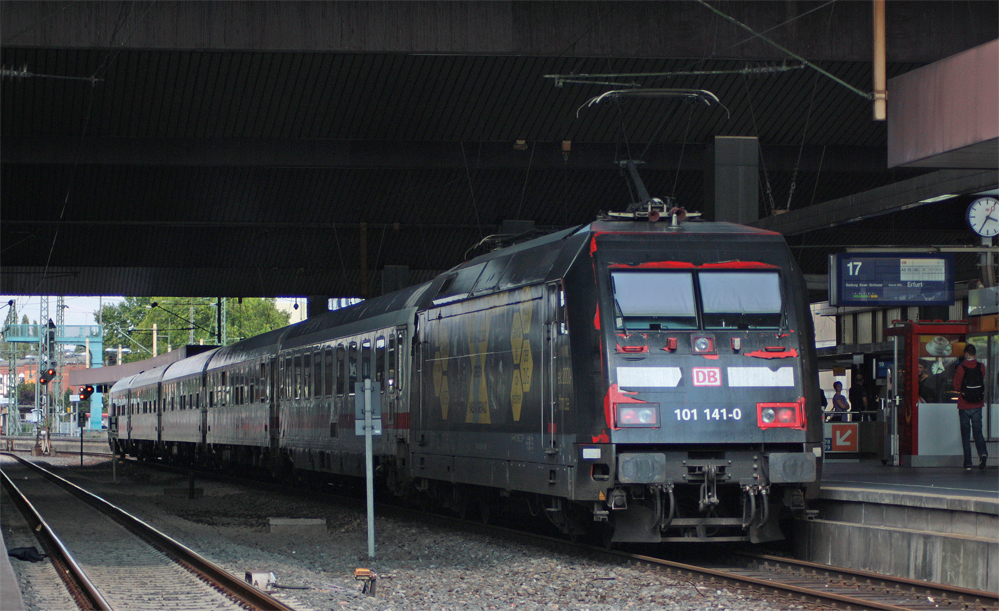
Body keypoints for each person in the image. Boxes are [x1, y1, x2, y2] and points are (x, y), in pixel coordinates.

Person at [952, 344, 989, 471]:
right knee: (978, 431)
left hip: (964, 404)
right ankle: (983, 454)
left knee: (966, 434)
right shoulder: (981, 366)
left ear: (967, 353)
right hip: (978, 404)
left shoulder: (961, 368)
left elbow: (956, 387)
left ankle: (968, 463)